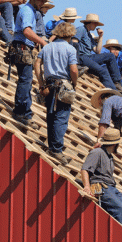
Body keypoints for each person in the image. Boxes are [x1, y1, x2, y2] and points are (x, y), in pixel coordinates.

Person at [79, 128, 122, 237]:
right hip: (100, 187)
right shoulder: (97, 152)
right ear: (115, 144)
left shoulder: (110, 156)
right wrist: (87, 187)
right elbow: (85, 169)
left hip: (111, 188)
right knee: (120, 210)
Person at [35, 22, 79, 164]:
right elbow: (73, 70)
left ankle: (52, 147)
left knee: (51, 116)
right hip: (63, 85)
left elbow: (37, 63)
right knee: (61, 118)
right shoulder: (70, 49)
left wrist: (41, 83)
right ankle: (56, 150)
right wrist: (75, 84)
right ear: (70, 34)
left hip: (49, 84)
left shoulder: (47, 47)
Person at [10, 0, 50, 129]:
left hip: (23, 48)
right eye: (41, 1)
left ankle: (24, 111)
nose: (42, 4)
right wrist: (42, 42)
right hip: (22, 48)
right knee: (25, 81)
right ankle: (21, 112)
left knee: (25, 80)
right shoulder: (28, 11)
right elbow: (27, 31)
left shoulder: (30, 11)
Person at [74, 14, 122, 98]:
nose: (96, 26)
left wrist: (100, 37)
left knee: (110, 57)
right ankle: (114, 94)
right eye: (95, 23)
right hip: (82, 57)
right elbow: (74, 42)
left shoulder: (89, 34)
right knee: (102, 71)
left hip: (89, 57)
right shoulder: (81, 29)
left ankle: (117, 85)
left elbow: (98, 51)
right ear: (90, 22)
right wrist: (76, 62)